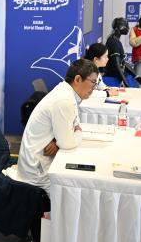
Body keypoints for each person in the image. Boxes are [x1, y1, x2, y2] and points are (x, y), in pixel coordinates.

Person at [16, 59, 98, 192]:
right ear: (78, 79)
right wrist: (77, 133)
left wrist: (59, 140)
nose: (94, 87)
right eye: (93, 82)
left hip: (40, 161)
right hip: (37, 172)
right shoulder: (64, 100)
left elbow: (74, 124)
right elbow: (68, 142)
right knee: (78, 188)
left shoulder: (67, 92)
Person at [104, 17, 129, 82]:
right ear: (120, 27)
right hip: (113, 78)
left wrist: (135, 75)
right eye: (126, 26)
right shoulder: (113, 42)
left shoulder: (116, 40)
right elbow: (116, 65)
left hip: (117, 76)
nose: (128, 28)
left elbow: (122, 62)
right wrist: (125, 81)